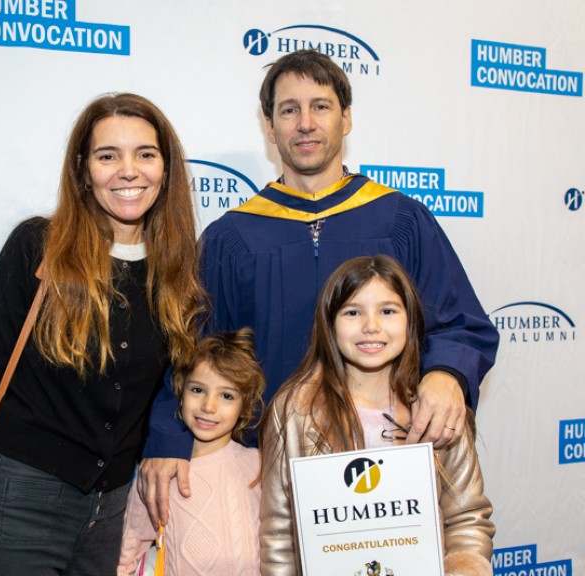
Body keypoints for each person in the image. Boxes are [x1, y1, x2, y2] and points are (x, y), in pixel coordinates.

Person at [137, 49, 499, 528]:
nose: (305, 122)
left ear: (346, 118)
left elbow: (461, 324)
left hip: (387, 471)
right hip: (265, 472)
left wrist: (448, 374)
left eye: (321, 106)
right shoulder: (234, 237)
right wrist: (168, 438)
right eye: (289, 110)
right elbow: (190, 350)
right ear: (270, 127)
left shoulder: (400, 220)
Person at [0, 92, 208, 576]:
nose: (128, 171)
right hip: (17, 503)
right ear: (83, 170)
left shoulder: (176, 272)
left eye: (145, 154)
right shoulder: (39, 248)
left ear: (167, 169)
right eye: (108, 156)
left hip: (110, 511)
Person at [259, 254, 495, 576]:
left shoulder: (438, 407)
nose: (371, 326)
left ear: (410, 320)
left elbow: (468, 520)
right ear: (330, 323)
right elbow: (279, 531)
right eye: (353, 312)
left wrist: (464, 568)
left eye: (387, 311)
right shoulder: (294, 412)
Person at [117, 328, 265, 575]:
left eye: (227, 395)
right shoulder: (157, 472)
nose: (208, 406)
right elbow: (127, 553)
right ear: (180, 393)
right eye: (198, 390)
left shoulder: (258, 465)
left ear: (245, 406)